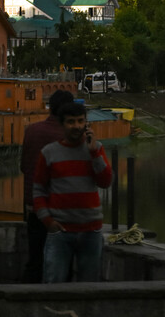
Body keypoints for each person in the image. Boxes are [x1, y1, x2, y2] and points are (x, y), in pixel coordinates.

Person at [33, 100, 112, 283]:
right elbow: (38, 190)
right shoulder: (49, 153)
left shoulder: (97, 149)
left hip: (91, 231)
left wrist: (94, 154)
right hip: (60, 232)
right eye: (71, 122)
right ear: (62, 124)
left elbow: (106, 182)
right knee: (54, 283)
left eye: (80, 121)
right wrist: (48, 221)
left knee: (89, 286)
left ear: (86, 123)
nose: (76, 126)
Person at [20, 89, 74, 282]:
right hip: (60, 209)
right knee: (63, 262)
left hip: (33, 205)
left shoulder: (31, 130)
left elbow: (24, 166)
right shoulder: (68, 136)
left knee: (35, 258)